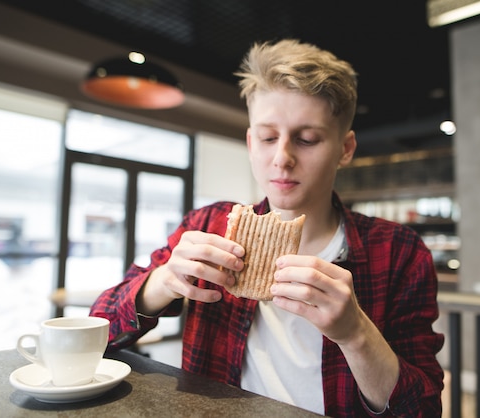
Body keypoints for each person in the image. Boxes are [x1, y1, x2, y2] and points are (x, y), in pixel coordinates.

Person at [90, 39, 444, 417]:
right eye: (268, 137)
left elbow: (421, 409)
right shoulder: (208, 227)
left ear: (345, 148)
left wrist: (356, 334)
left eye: (307, 139)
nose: (282, 158)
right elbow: (97, 334)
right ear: (250, 142)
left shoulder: (399, 253)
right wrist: (161, 282)